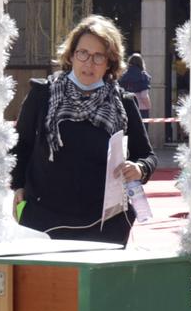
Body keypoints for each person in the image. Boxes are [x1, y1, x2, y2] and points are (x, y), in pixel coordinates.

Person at [11, 16, 156, 246]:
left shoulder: (124, 103)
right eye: (83, 53)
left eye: (99, 56)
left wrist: (139, 168)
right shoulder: (42, 94)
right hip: (44, 218)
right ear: (71, 55)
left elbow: (147, 156)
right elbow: (22, 146)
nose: (89, 63)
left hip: (104, 224)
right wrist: (17, 185)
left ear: (110, 62)